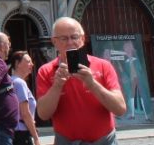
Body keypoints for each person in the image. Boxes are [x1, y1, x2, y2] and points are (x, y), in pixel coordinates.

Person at [37, 17, 126, 145]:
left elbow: (120, 109)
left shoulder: (103, 66)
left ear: (83, 39)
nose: (70, 42)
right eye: (64, 38)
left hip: (103, 141)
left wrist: (92, 84)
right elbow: (43, 114)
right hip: (66, 141)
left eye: (74, 37)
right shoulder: (46, 71)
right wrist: (57, 86)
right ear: (54, 42)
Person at [9, 51, 42, 145]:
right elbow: (25, 113)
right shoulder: (20, 83)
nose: (32, 64)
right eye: (28, 61)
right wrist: (35, 137)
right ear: (17, 63)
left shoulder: (11, 81)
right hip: (21, 133)